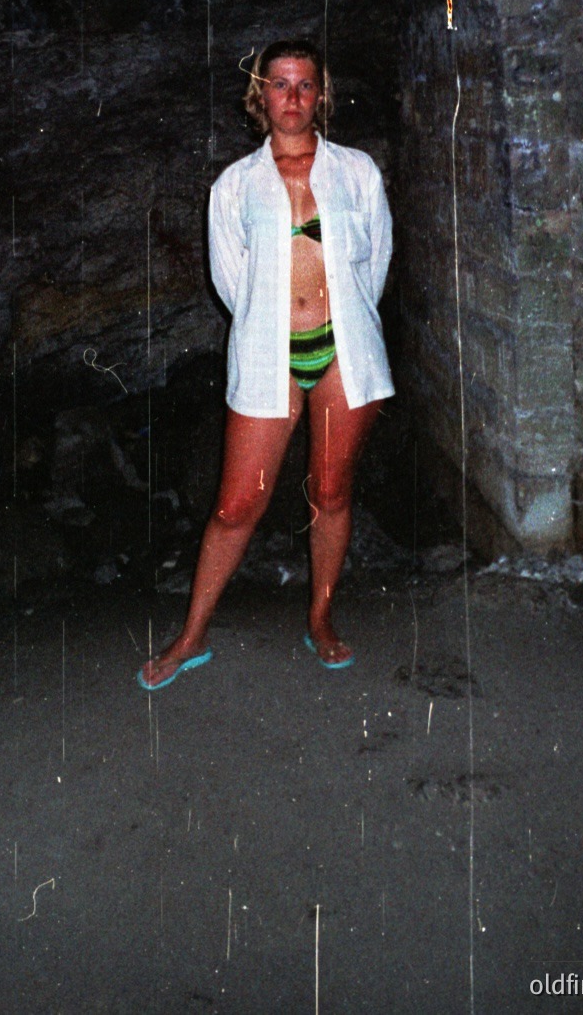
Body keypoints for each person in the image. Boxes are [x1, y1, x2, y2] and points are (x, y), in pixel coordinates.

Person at [138, 38, 394, 689]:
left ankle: (321, 617)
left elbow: (374, 263)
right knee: (233, 507)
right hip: (269, 354)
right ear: (260, 97)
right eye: (279, 84)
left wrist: (341, 321)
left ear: (321, 94)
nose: (293, 97)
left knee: (330, 491)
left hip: (345, 350)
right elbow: (231, 283)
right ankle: (190, 635)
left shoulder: (357, 171)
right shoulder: (234, 185)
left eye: (305, 84)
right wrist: (274, 328)